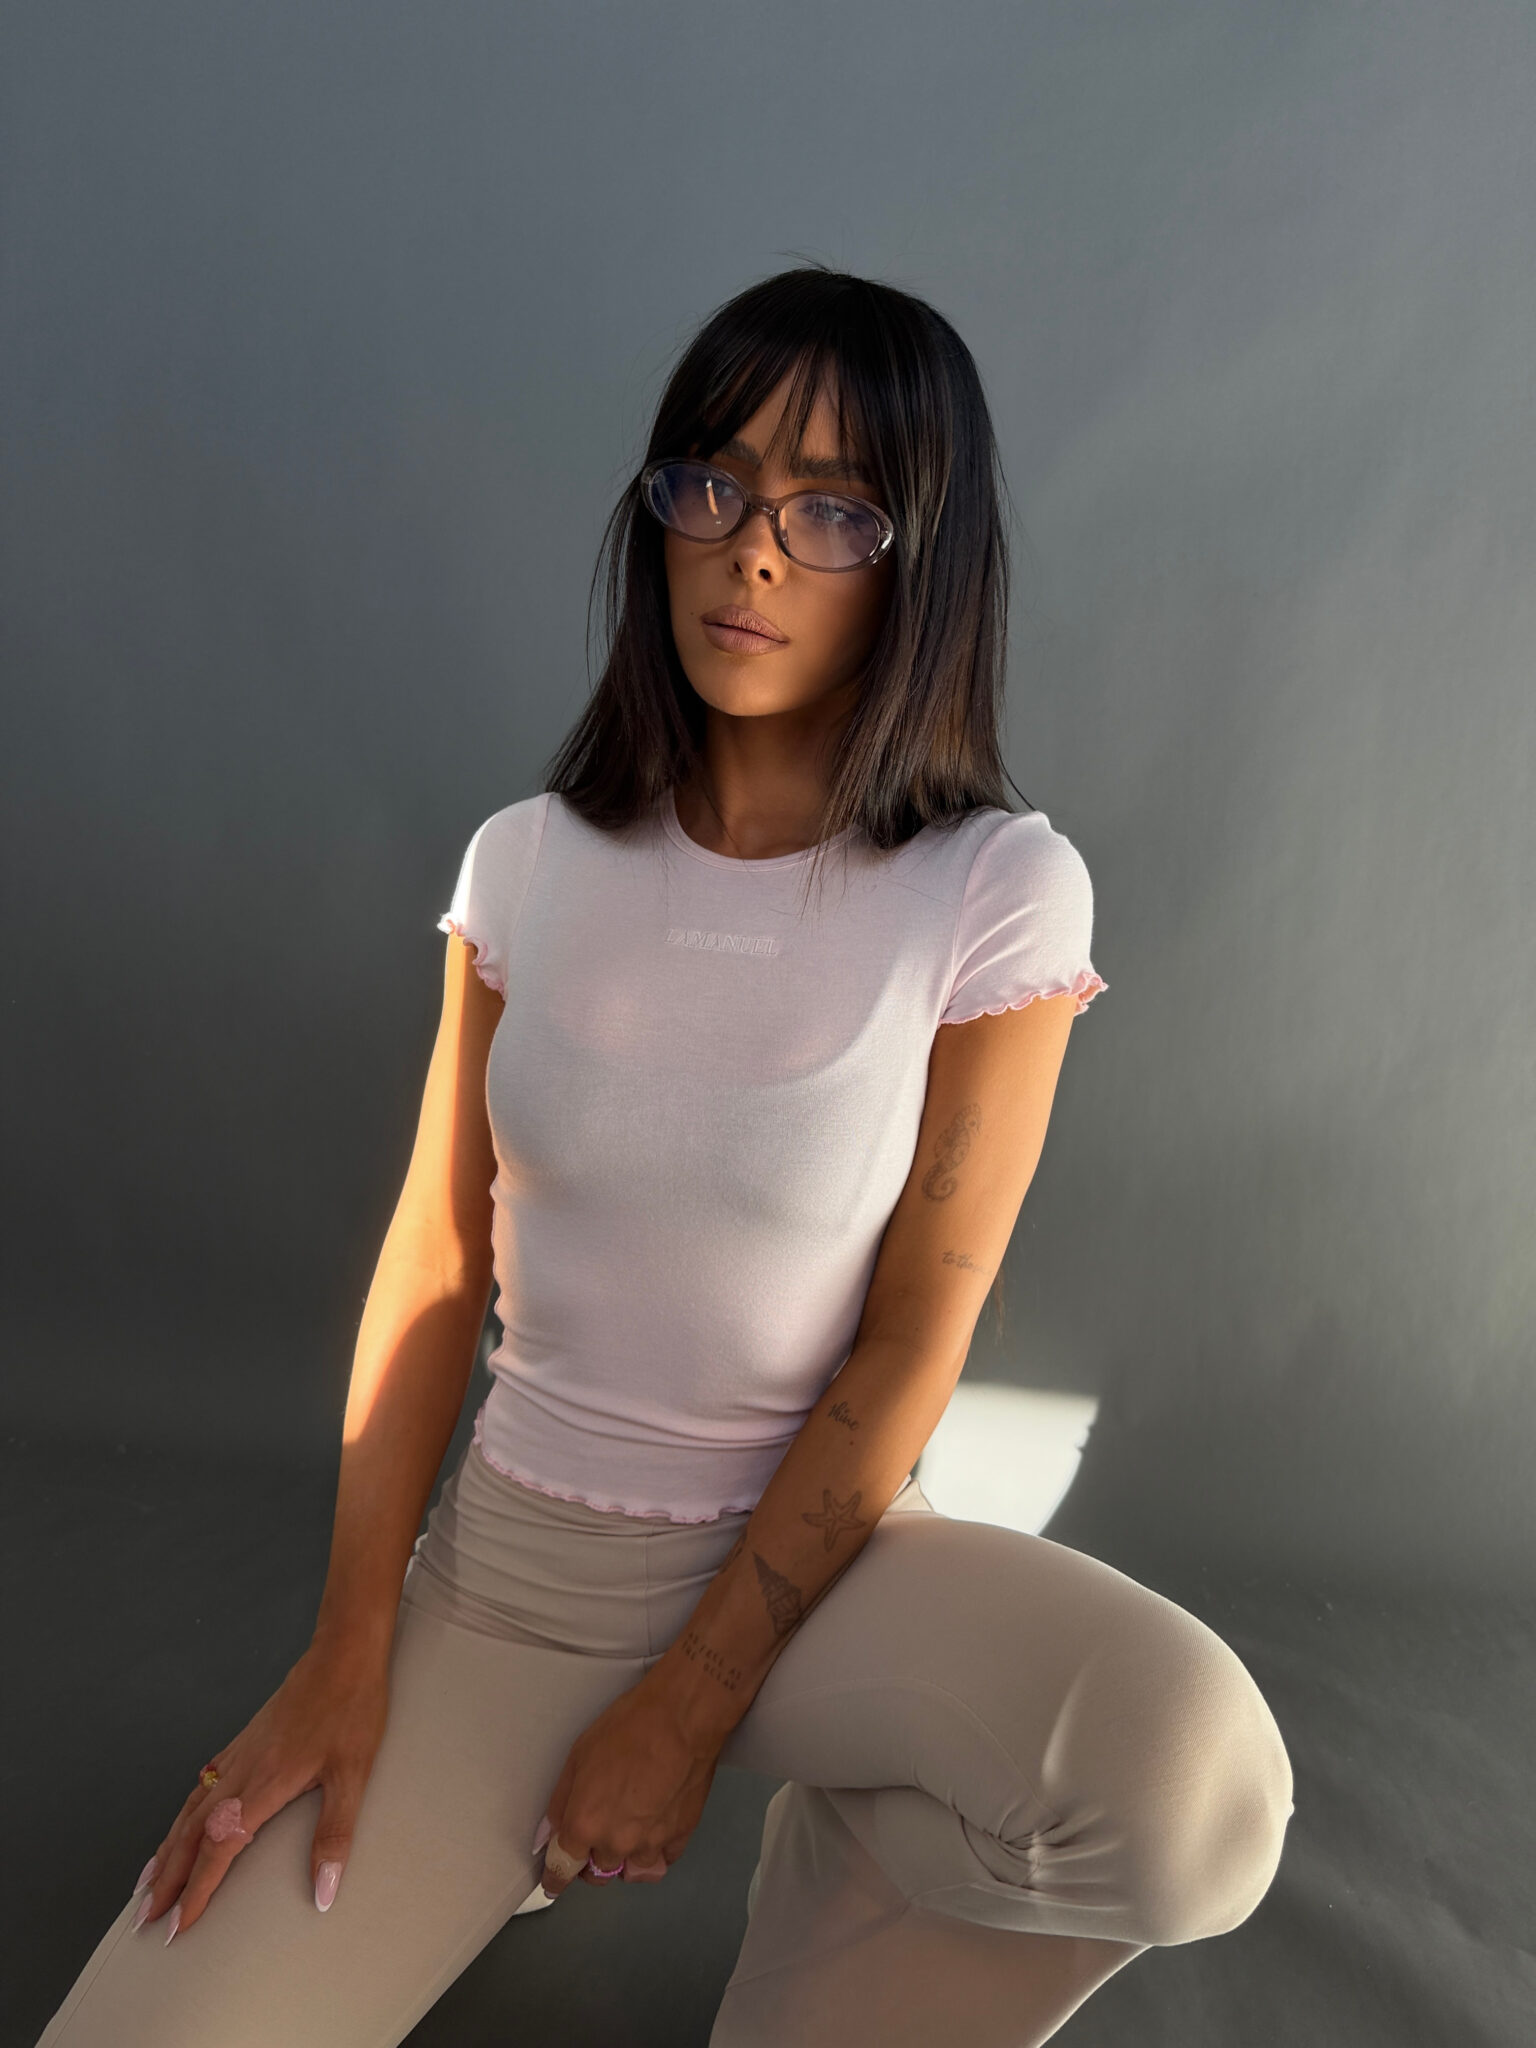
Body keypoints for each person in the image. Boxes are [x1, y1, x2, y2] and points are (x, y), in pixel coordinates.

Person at [34, 264, 1294, 2048]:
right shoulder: (528, 862)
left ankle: (849, 1864)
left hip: (833, 1576)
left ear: (921, 565)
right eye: (713, 486)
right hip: (517, 1587)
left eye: (832, 511)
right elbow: (434, 1265)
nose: (751, 553)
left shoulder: (994, 889)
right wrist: (346, 1652)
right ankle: (506, 1797)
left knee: (1199, 1797)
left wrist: (689, 1711)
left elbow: (914, 1337)